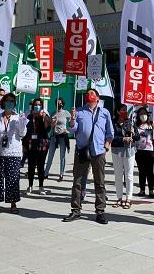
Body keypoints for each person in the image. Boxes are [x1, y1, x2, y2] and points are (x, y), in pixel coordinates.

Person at [63, 88, 113, 224]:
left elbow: (110, 131)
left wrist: (106, 146)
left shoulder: (104, 112)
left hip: (98, 151)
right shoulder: (79, 111)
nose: (89, 95)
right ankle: (75, 210)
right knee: (78, 182)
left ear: (97, 98)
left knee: (100, 182)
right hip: (82, 150)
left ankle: (100, 211)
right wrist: (72, 119)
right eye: (88, 94)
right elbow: (73, 130)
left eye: (92, 93)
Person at [0, 93, 29, 213]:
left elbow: (22, 134)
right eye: (7, 101)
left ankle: (13, 203)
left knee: (12, 179)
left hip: (13, 153)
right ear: (3, 103)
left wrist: (22, 122)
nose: (9, 104)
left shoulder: (17, 118)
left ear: (14, 104)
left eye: (12, 102)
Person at [111, 104, 139, 209]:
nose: (125, 112)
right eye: (123, 110)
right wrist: (122, 139)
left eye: (126, 110)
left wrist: (133, 132)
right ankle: (119, 198)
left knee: (129, 175)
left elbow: (137, 137)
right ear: (118, 112)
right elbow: (111, 137)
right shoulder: (113, 122)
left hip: (129, 151)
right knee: (118, 175)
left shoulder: (130, 122)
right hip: (116, 151)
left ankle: (128, 198)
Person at [24, 97, 52, 194]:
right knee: (31, 165)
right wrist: (24, 145)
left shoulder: (45, 116)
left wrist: (43, 118)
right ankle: (30, 185)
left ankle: (41, 186)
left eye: (39, 105)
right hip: (31, 143)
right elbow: (25, 131)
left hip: (42, 143)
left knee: (41, 165)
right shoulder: (29, 117)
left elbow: (48, 129)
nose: (37, 106)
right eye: (35, 105)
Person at [44, 97, 71, 181]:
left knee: (62, 156)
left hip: (63, 136)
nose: (59, 104)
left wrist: (68, 130)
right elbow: (50, 126)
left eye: (61, 103)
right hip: (54, 136)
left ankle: (61, 174)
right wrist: (53, 122)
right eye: (57, 103)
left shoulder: (66, 113)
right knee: (50, 155)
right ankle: (46, 173)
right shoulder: (53, 113)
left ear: (63, 104)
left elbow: (71, 124)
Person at [135, 106, 154, 198]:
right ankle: (142, 189)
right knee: (141, 171)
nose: (143, 115)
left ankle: (151, 190)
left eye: (144, 113)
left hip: (149, 150)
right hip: (139, 150)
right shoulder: (135, 126)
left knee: (150, 171)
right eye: (141, 114)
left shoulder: (151, 125)